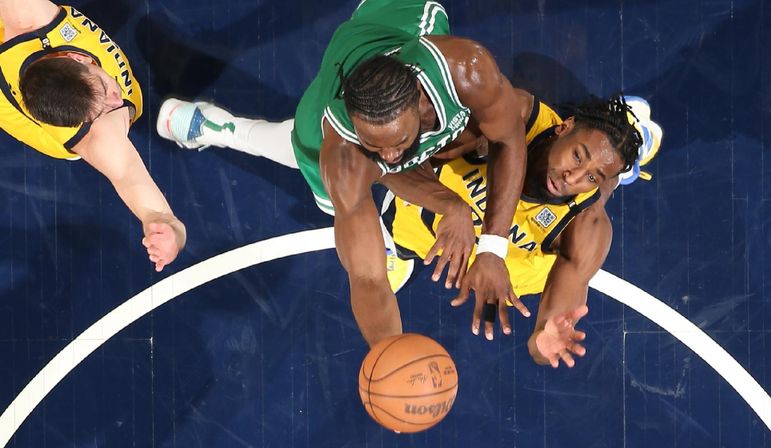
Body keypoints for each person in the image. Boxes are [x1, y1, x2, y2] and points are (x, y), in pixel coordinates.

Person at [156, 0, 530, 346]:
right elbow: (367, 278)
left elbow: (510, 140)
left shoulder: (465, 70)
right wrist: (388, 354)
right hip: (320, 123)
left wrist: (493, 247)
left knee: (487, 128)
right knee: (304, 151)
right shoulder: (343, 152)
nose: (389, 154)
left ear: (419, 97)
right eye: (376, 146)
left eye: (398, 141)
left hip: (389, 21)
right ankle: (220, 127)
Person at [383, 93, 662, 367]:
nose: (572, 177)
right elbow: (394, 161)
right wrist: (452, 206)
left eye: (590, 176)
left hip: (516, 263)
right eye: (577, 156)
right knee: (403, 218)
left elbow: (544, 343)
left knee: (597, 193)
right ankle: (402, 251)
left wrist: (544, 339)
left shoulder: (587, 224)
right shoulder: (513, 117)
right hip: (436, 217)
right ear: (565, 126)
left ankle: (625, 163)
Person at [0, 0, 185, 271]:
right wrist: (170, 230)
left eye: (102, 101)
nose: (115, 99)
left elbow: (133, 184)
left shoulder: (100, 130)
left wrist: (169, 229)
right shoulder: (99, 130)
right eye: (104, 90)